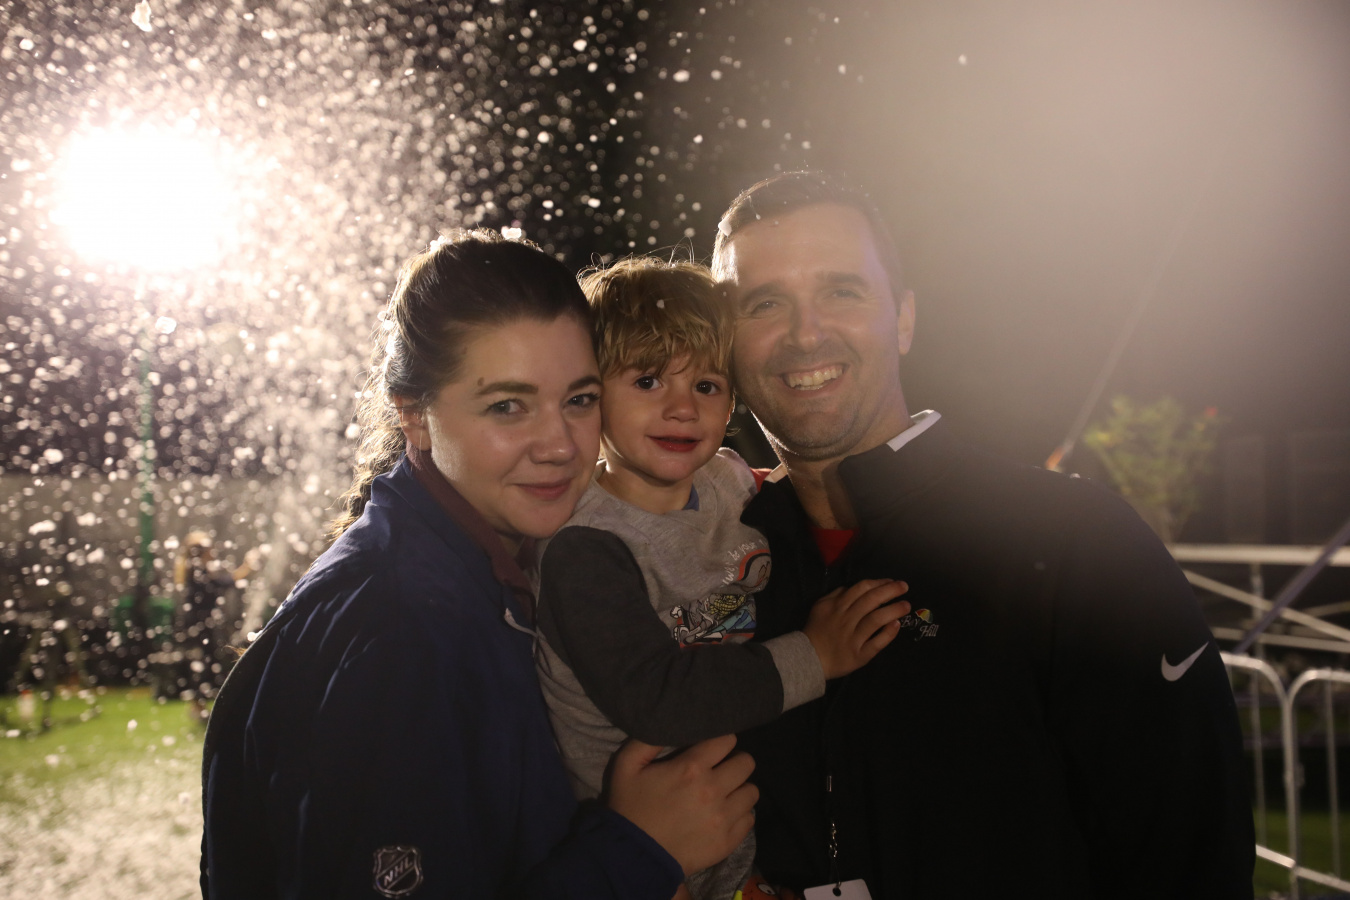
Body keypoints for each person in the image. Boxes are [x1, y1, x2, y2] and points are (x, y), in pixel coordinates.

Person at [711, 171, 1255, 898]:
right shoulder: (708, 563)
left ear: (904, 320)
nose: (806, 334)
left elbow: (1194, 861)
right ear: (725, 342)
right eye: (764, 303)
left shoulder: (1076, 542)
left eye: (843, 291)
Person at [200, 231, 759, 900]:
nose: (559, 445)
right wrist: (637, 851)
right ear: (416, 417)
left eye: (579, 400)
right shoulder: (402, 633)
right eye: (507, 406)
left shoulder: (488, 571)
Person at [534, 258, 910, 900]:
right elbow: (658, 703)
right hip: (651, 851)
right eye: (648, 380)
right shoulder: (585, 549)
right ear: (590, 396)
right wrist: (816, 656)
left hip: (742, 833)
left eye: (707, 385)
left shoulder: (727, 481)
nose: (682, 408)